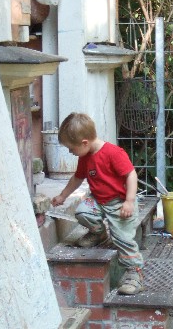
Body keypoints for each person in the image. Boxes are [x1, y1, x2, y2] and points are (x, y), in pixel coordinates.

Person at [51, 113, 144, 295]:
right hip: (99, 201)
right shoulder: (84, 157)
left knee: (122, 239)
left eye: (71, 149)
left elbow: (131, 175)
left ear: (84, 143)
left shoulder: (113, 153)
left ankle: (135, 273)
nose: (70, 152)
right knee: (82, 212)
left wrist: (129, 201)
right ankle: (98, 234)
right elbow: (77, 178)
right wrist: (63, 196)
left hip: (120, 203)